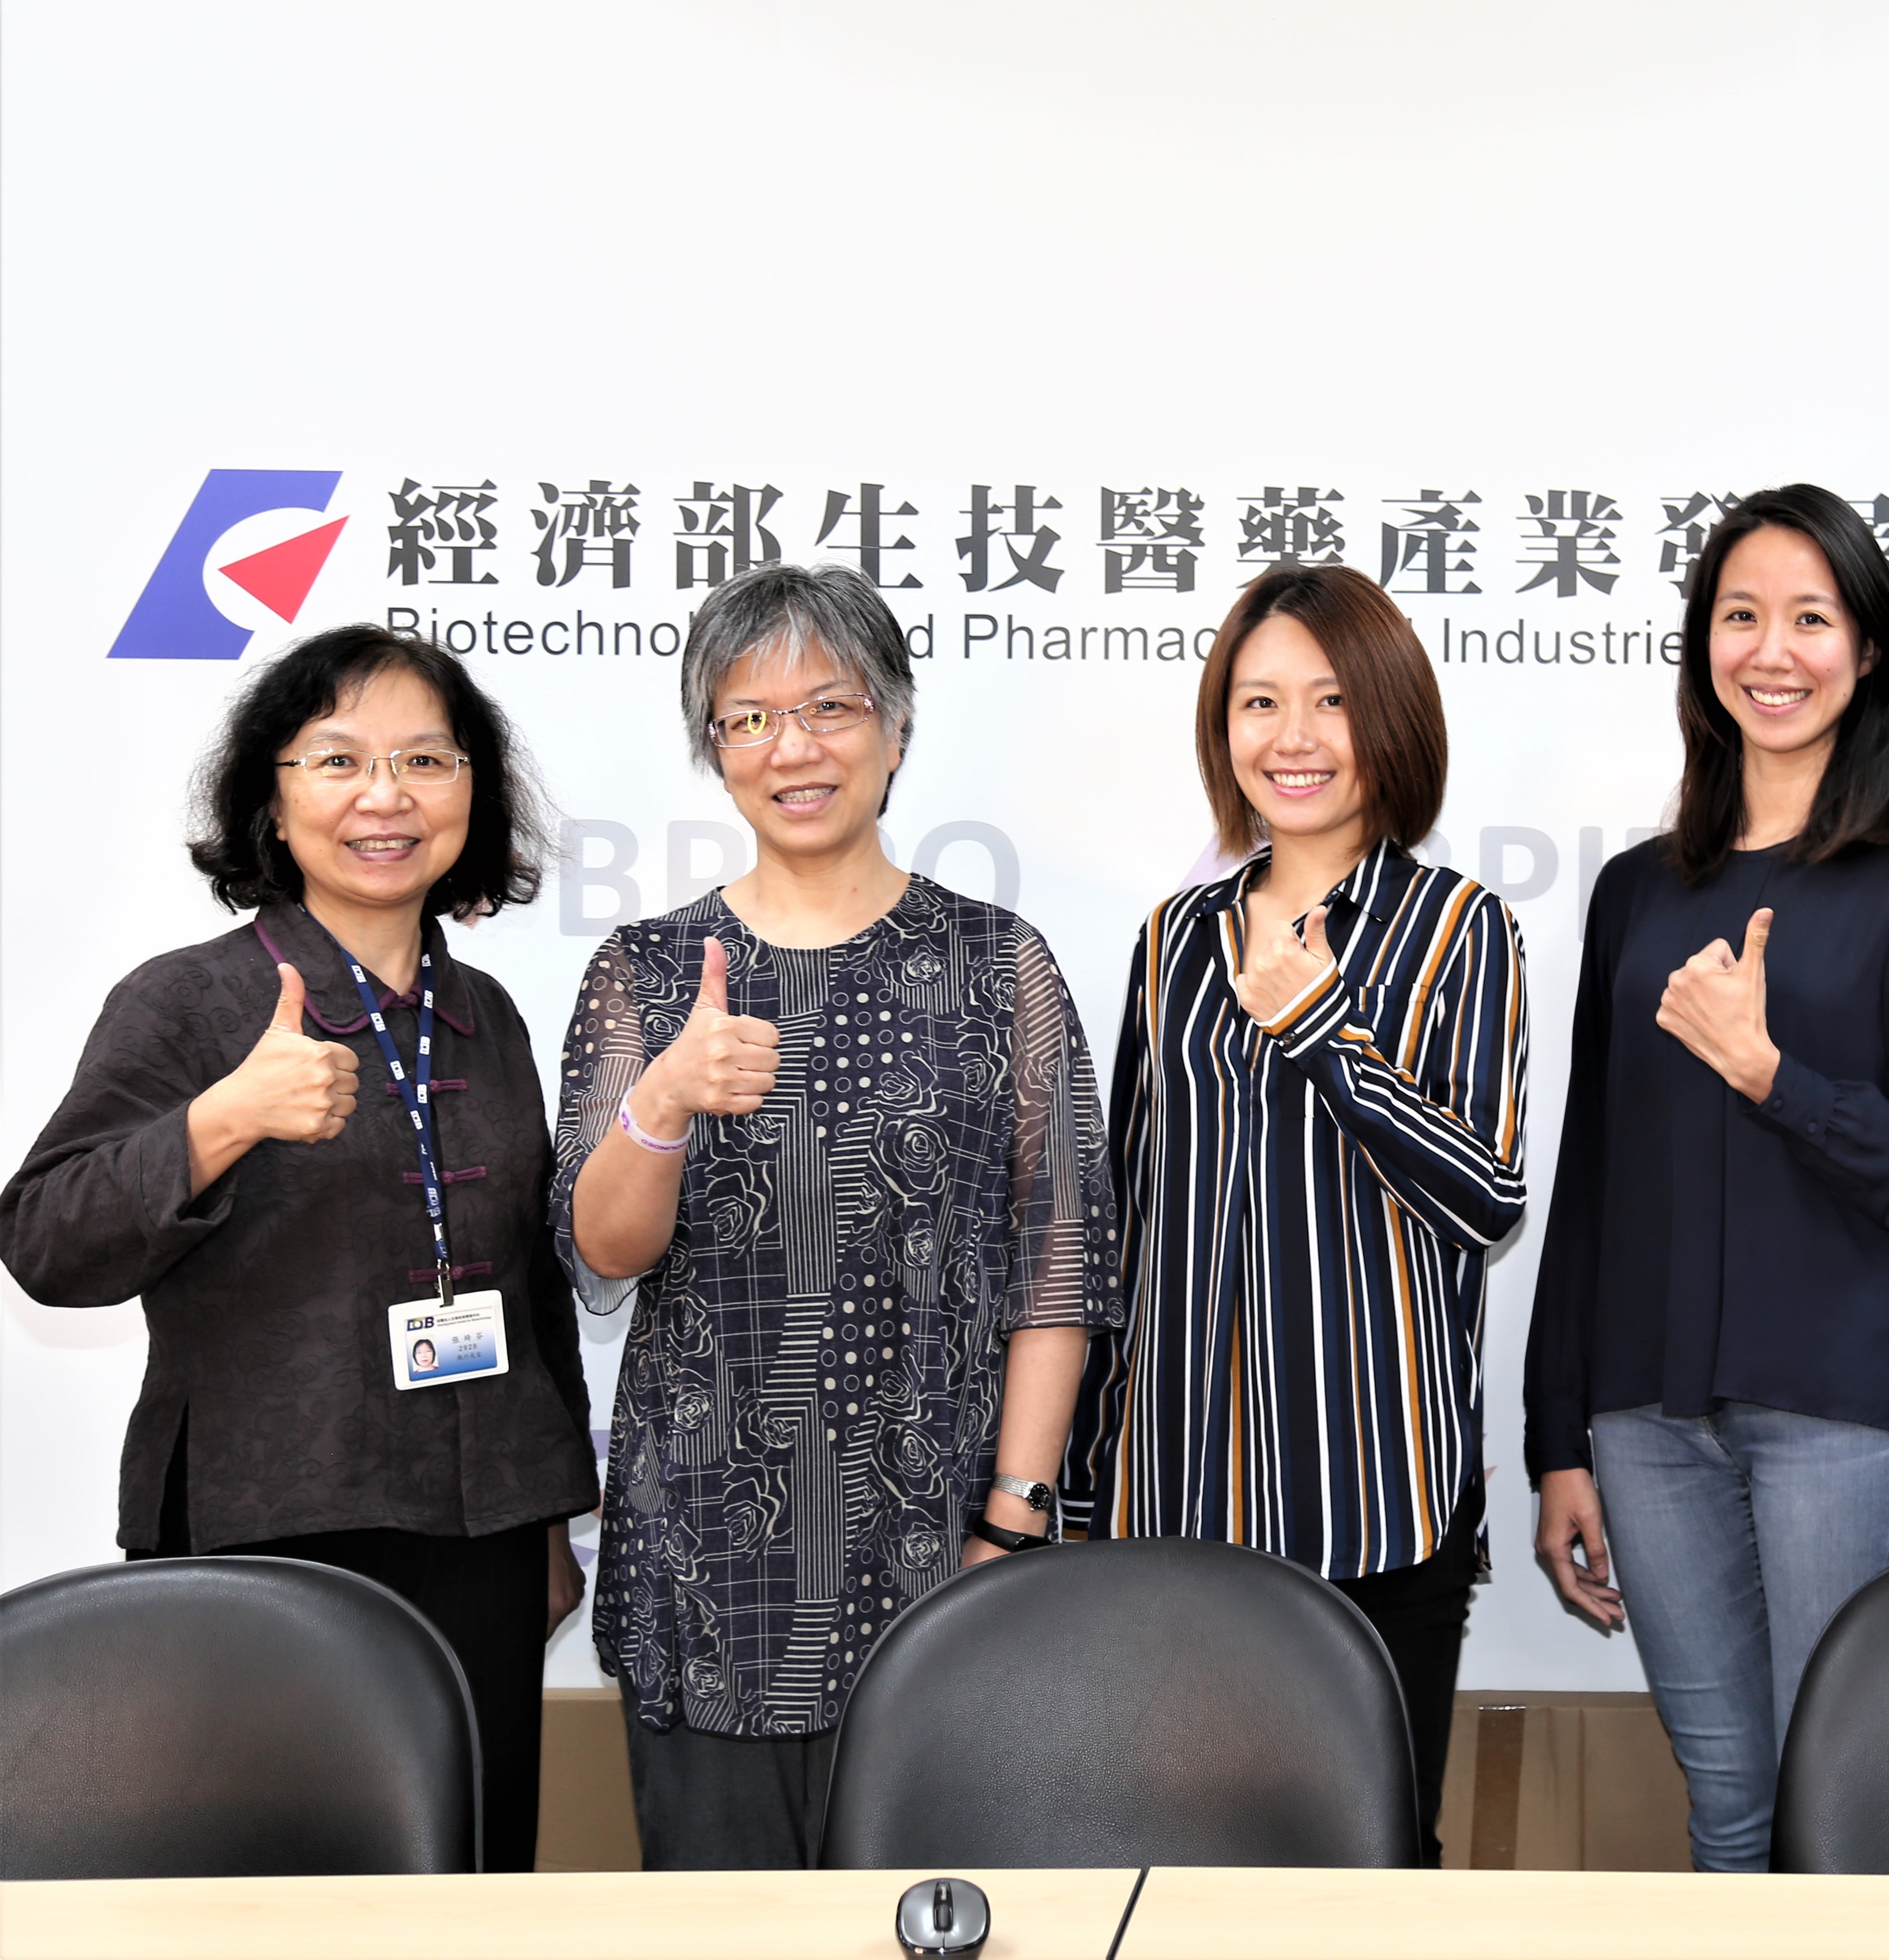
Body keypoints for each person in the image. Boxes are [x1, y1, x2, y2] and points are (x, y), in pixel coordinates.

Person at [0, 624, 597, 1874]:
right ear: (272, 801)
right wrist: (222, 1119)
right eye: (338, 760)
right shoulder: (189, 999)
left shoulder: (485, 1013)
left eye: (425, 759)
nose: (386, 796)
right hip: (267, 1532)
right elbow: (47, 1240)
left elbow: (529, 1282)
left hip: (481, 1536)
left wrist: (547, 1522)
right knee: (276, 1895)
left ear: (472, 793)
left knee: (470, 1883)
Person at [554, 562, 1118, 1870]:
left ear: (897, 728)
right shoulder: (647, 969)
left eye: (830, 706)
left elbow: (1059, 1261)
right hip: (709, 1562)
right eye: (749, 717)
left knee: (942, 1926)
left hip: (940, 1543)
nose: (792, 747)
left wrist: (1013, 1519)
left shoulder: (1000, 963)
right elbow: (601, 1251)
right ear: (715, 750)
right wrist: (663, 1100)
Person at [1522, 484, 1889, 1872]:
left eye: (1811, 617)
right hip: (1647, 1424)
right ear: (1702, 646)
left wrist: (1769, 1072)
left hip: (1843, 1415)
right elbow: (1590, 1182)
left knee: (1846, 1823)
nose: (1773, 651)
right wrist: (1560, 1440)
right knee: (1729, 1814)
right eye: (1742, 615)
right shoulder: (1636, 889)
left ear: (1869, 650)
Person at [1065, 566, 1527, 1867]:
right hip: (1177, 1492)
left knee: (1366, 1864)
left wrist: (1324, 1030)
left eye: (1331, 700)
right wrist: (1087, 1479)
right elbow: (1130, 1215)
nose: (1294, 736)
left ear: (1390, 718)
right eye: (1259, 701)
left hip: (1374, 1487)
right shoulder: (1175, 937)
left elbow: (1486, 1194)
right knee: (1182, 1854)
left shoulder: (1459, 927)